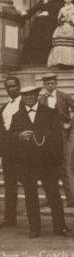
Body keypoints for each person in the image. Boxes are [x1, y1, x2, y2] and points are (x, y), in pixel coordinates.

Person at [10, 78, 74, 238]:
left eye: (31, 94)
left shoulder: (50, 112)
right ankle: (35, 228)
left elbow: (58, 140)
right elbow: (10, 137)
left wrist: (57, 161)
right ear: (21, 96)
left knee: (54, 196)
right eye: (25, 95)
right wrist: (19, 136)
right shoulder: (17, 116)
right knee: (31, 197)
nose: (28, 97)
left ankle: (61, 227)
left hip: (47, 163)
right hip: (27, 164)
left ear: (37, 94)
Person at [38, 74, 74, 207]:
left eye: (52, 83)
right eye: (47, 84)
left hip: (61, 133)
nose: (50, 86)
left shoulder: (64, 96)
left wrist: (70, 123)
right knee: (47, 166)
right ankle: (50, 198)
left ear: (56, 83)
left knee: (64, 165)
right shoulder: (40, 99)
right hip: (46, 135)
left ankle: (72, 199)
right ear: (44, 85)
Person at [0, 77, 21, 228]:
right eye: (8, 87)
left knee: (29, 182)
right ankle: (10, 218)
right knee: (10, 185)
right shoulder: (4, 107)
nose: (10, 89)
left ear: (18, 87)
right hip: (8, 152)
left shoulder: (25, 103)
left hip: (23, 150)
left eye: (13, 86)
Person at [20, 0, 60, 65]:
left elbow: (57, 12)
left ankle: (44, 60)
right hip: (40, 24)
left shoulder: (53, 1)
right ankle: (35, 60)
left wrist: (49, 14)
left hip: (48, 25)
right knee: (36, 40)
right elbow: (34, 9)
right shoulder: (42, 1)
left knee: (46, 40)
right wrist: (26, 13)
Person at [47, 0, 74, 68]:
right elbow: (58, 18)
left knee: (70, 44)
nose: (67, 1)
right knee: (61, 43)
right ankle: (61, 61)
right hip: (62, 27)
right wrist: (61, 20)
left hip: (72, 27)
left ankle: (71, 62)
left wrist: (73, 20)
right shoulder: (62, 9)